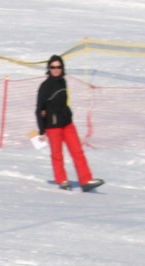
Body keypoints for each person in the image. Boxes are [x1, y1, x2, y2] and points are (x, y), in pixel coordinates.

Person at [34, 54, 102, 192]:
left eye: (58, 67)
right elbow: (39, 109)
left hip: (67, 124)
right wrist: (42, 130)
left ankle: (86, 180)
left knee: (77, 151)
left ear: (62, 68)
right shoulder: (45, 86)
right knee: (57, 154)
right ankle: (62, 180)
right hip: (53, 127)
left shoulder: (63, 82)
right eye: (53, 67)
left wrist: (68, 114)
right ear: (49, 69)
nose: (56, 70)